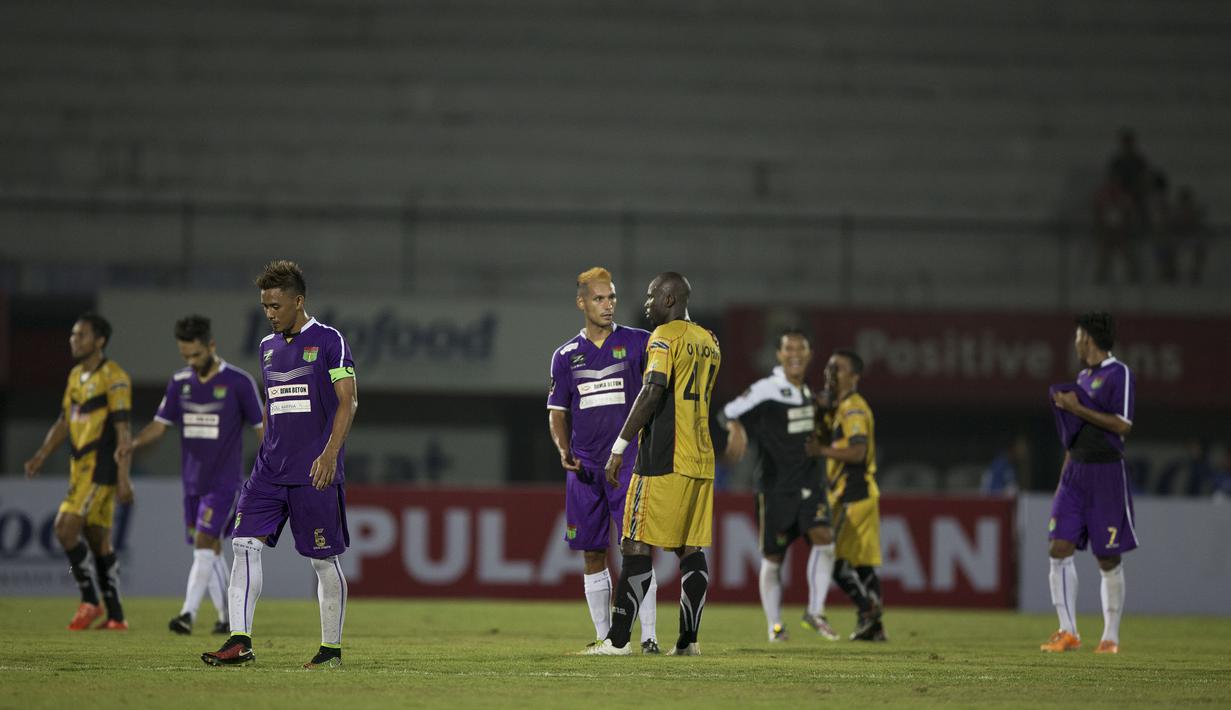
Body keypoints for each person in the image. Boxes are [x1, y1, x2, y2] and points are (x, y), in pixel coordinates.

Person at [202, 260, 358, 669]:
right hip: (269, 471)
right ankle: (240, 640)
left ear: (298, 301)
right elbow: (273, 402)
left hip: (314, 472)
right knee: (243, 544)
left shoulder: (329, 341)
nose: (269, 313)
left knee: (323, 560)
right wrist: (266, 447)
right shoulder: (266, 347)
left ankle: (330, 651)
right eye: (265, 306)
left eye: (275, 305)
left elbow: (349, 401)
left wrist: (328, 454)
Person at [586, 272, 721, 656]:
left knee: (635, 543)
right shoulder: (710, 341)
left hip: (664, 456)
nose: (645, 303)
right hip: (701, 457)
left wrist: (619, 445)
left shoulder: (664, 336)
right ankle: (688, 641)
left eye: (650, 295)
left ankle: (615, 643)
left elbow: (653, 389)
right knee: (690, 548)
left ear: (668, 298)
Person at [116, 315, 264, 635]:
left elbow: (262, 428)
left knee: (203, 541)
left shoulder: (239, 383)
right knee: (209, 549)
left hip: (224, 482)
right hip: (192, 481)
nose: (191, 361)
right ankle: (227, 616)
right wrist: (134, 443)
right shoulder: (180, 382)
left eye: (196, 355)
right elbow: (159, 425)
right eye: (185, 356)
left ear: (211, 345)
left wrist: (271, 470)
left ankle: (187, 614)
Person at [547, 267, 659, 653]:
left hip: (628, 463)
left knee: (636, 548)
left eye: (611, 297)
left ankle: (648, 637)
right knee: (592, 553)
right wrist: (563, 449)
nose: (608, 305)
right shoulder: (565, 356)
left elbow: (656, 395)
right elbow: (558, 410)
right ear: (581, 302)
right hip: (584, 468)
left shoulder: (639, 343)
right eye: (599, 298)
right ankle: (608, 638)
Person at [721, 329, 838, 642]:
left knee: (825, 540)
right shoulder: (767, 388)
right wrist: (735, 428)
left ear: (810, 354)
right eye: (789, 349)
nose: (795, 354)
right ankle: (775, 627)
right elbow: (727, 412)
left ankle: (815, 611)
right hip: (775, 487)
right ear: (779, 355)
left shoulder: (808, 395)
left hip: (810, 482)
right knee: (774, 558)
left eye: (801, 348)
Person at [24, 312, 134, 630]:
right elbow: (64, 421)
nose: (74, 340)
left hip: (101, 467)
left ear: (99, 341)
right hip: (80, 467)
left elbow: (123, 430)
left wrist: (124, 477)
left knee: (64, 528)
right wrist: (41, 455)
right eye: (73, 335)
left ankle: (89, 600)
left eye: (81, 335)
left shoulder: (113, 377)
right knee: (96, 537)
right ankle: (115, 615)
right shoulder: (75, 377)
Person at [1042, 312, 1136, 655]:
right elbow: (1076, 435)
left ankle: (1110, 637)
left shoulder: (1119, 373)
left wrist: (1076, 408)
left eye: (1078, 336)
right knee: (1058, 547)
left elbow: (1122, 425)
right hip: (1075, 472)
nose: (1075, 342)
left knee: (1107, 558)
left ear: (1088, 339)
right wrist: (1062, 479)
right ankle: (1068, 631)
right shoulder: (1082, 377)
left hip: (1106, 473)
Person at [807, 348, 885, 641]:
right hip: (859, 493)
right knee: (863, 564)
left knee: (833, 557)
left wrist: (821, 451)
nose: (829, 372)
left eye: (837, 368)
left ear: (853, 376)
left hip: (853, 492)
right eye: (828, 366)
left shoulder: (853, 408)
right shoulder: (839, 406)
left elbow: (857, 451)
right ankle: (875, 629)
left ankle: (868, 610)